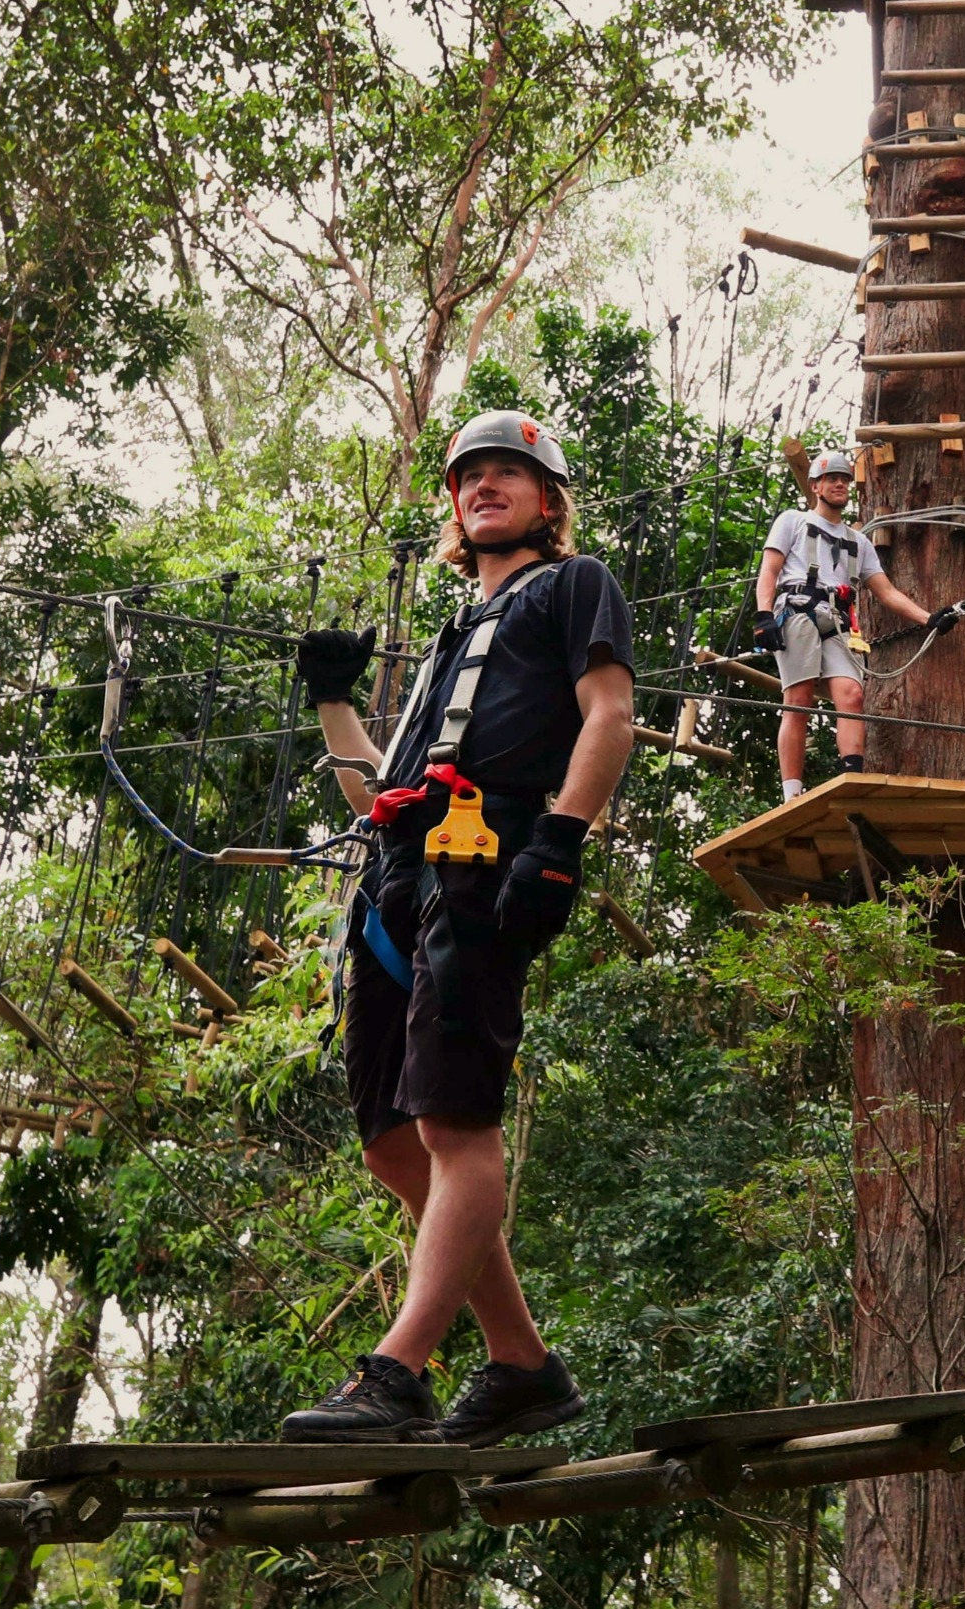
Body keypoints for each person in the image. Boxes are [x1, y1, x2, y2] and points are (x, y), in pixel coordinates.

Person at [284, 410, 635, 1445]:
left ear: (547, 499)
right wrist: (335, 701)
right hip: (398, 882)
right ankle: (522, 1364)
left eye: (509, 474)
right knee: (394, 1144)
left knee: (454, 1124)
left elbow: (610, 712)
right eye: (469, 475)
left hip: (490, 864)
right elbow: (373, 797)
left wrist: (562, 839)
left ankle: (400, 1368)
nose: (484, 486)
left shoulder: (574, 587)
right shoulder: (450, 636)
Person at [754, 449, 955, 799]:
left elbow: (886, 591)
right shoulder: (793, 521)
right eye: (832, 478)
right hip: (799, 610)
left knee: (853, 695)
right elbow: (769, 570)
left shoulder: (859, 542)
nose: (839, 484)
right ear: (815, 486)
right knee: (799, 699)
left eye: (845, 479)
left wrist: (929, 619)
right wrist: (764, 615)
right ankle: (791, 793)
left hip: (839, 621)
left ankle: (853, 777)